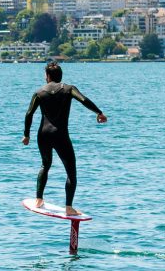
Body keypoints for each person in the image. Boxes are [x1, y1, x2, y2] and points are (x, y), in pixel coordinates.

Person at [21, 60, 106, 208]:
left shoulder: (39, 92)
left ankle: (39, 199)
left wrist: (26, 134)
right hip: (60, 135)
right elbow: (84, 100)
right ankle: (69, 207)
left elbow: (29, 114)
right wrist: (99, 112)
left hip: (44, 134)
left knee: (45, 165)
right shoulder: (69, 89)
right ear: (60, 76)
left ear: (47, 76)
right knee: (71, 172)